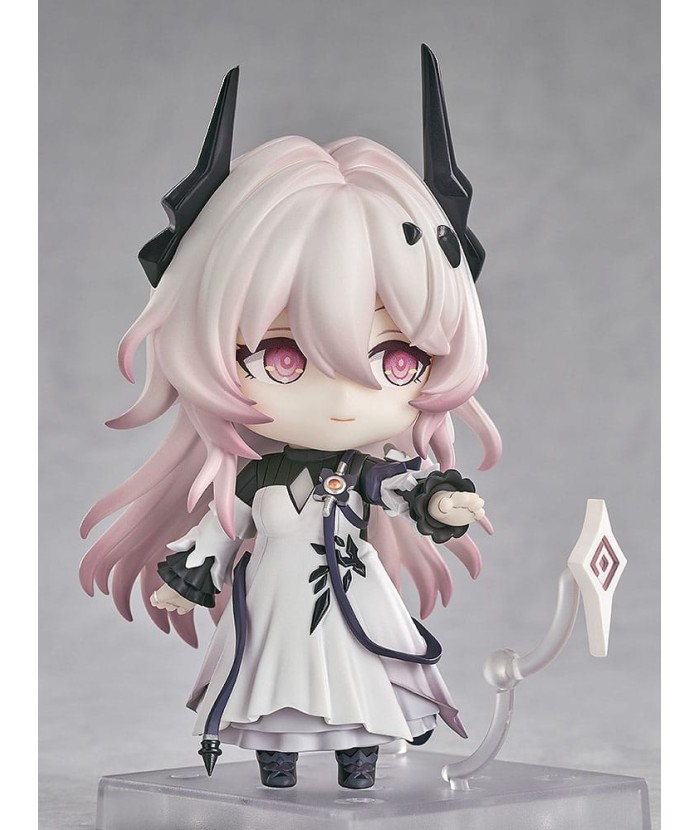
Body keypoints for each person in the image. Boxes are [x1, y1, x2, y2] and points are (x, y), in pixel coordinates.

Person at [80, 47, 501, 790]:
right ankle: (277, 759)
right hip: (272, 601)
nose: (343, 395)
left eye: (397, 359)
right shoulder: (256, 482)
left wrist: (443, 501)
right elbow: (217, 533)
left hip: (354, 595)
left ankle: (357, 756)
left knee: (360, 676)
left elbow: (405, 488)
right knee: (272, 681)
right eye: (284, 355)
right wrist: (188, 577)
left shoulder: (365, 472)